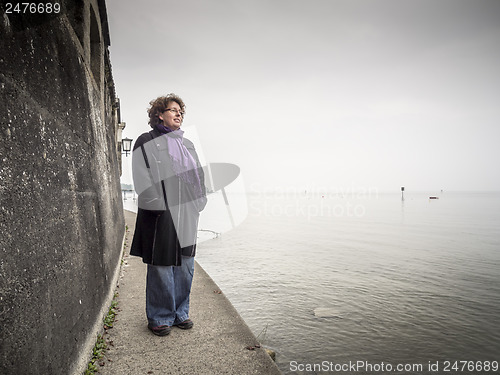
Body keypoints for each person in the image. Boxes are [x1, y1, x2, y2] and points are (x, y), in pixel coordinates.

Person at [130, 93, 207, 336]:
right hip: (162, 214)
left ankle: (179, 313)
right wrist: (158, 207)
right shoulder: (146, 140)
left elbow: (199, 176)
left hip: (187, 212)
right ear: (159, 114)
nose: (178, 114)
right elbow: (142, 177)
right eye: (173, 110)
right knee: (161, 265)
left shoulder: (188, 145)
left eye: (181, 111)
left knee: (186, 265)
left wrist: (200, 201)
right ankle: (160, 316)